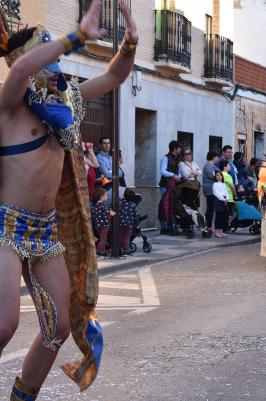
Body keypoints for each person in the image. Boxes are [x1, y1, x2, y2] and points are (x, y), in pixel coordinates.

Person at [0, 0, 138, 397]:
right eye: (47, 49)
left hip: (45, 231)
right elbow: (25, 68)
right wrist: (76, 35)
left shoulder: (68, 103)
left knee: (58, 327)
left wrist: (130, 37)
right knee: (3, 324)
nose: (55, 62)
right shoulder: (9, 106)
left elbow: (114, 76)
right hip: (5, 226)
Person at [158, 140, 181, 234]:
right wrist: (173, 175)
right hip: (165, 185)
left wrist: (178, 176)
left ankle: (170, 227)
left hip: (173, 186)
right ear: (175, 148)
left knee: (172, 206)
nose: (180, 150)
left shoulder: (177, 159)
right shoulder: (165, 158)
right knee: (164, 206)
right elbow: (162, 171)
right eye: (179, 148)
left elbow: (177, 171)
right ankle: (163, 228)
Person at [91, 188, 115, 257]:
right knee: (103, 238)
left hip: (98, 225)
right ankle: (101, 251)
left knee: (101, 238)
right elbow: (106, 211)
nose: (107, 197)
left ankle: (99, 250)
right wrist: (111, 212)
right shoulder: (102, 204)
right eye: (106, 195)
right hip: (104, 224)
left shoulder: (96, 205)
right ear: (102, 196)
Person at [202, 151, 219, 234]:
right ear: (213, 157)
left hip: (212, 188)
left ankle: (209, 225)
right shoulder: (208, 165)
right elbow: (211, 175)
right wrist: (217, 176)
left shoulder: (213, 165)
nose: (218, 159)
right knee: (210, 208)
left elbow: (219, 173)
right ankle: (208, 226)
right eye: (217, 157)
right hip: (209, 188)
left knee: (211, 208)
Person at [118, 188, 139, 255]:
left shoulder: (120, 204)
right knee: (127, 238)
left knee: (121, 237)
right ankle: (126, 250)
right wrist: (136, 224)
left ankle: (120, 249)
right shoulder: (133, 205)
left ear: (124, 196)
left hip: (120, 224)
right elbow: (135, 216)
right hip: (129, 225)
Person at [218, 159, 237, 231]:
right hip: (228, 198)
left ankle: (220, 228)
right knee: (226, 214)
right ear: (224, 167)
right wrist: (235, 195)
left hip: (220, 197)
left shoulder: (219, 175)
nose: (230, 167)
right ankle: (225, 228)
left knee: (221, 214)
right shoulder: (228, 176)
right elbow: (232, 187)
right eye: (228, 165)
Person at [212, 171, 229, 238]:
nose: (219, 177)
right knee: (218, 216)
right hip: (218, 201)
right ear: (215, 177)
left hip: (224, 200)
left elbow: (226, 192)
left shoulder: (223, 184)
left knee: (223, 216)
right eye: (217, 175)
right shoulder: (215, 184)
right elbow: (216, 193)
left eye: (220, 175)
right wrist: (223, 199)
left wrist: (227, 198)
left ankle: (221, 231)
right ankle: (217, 231)